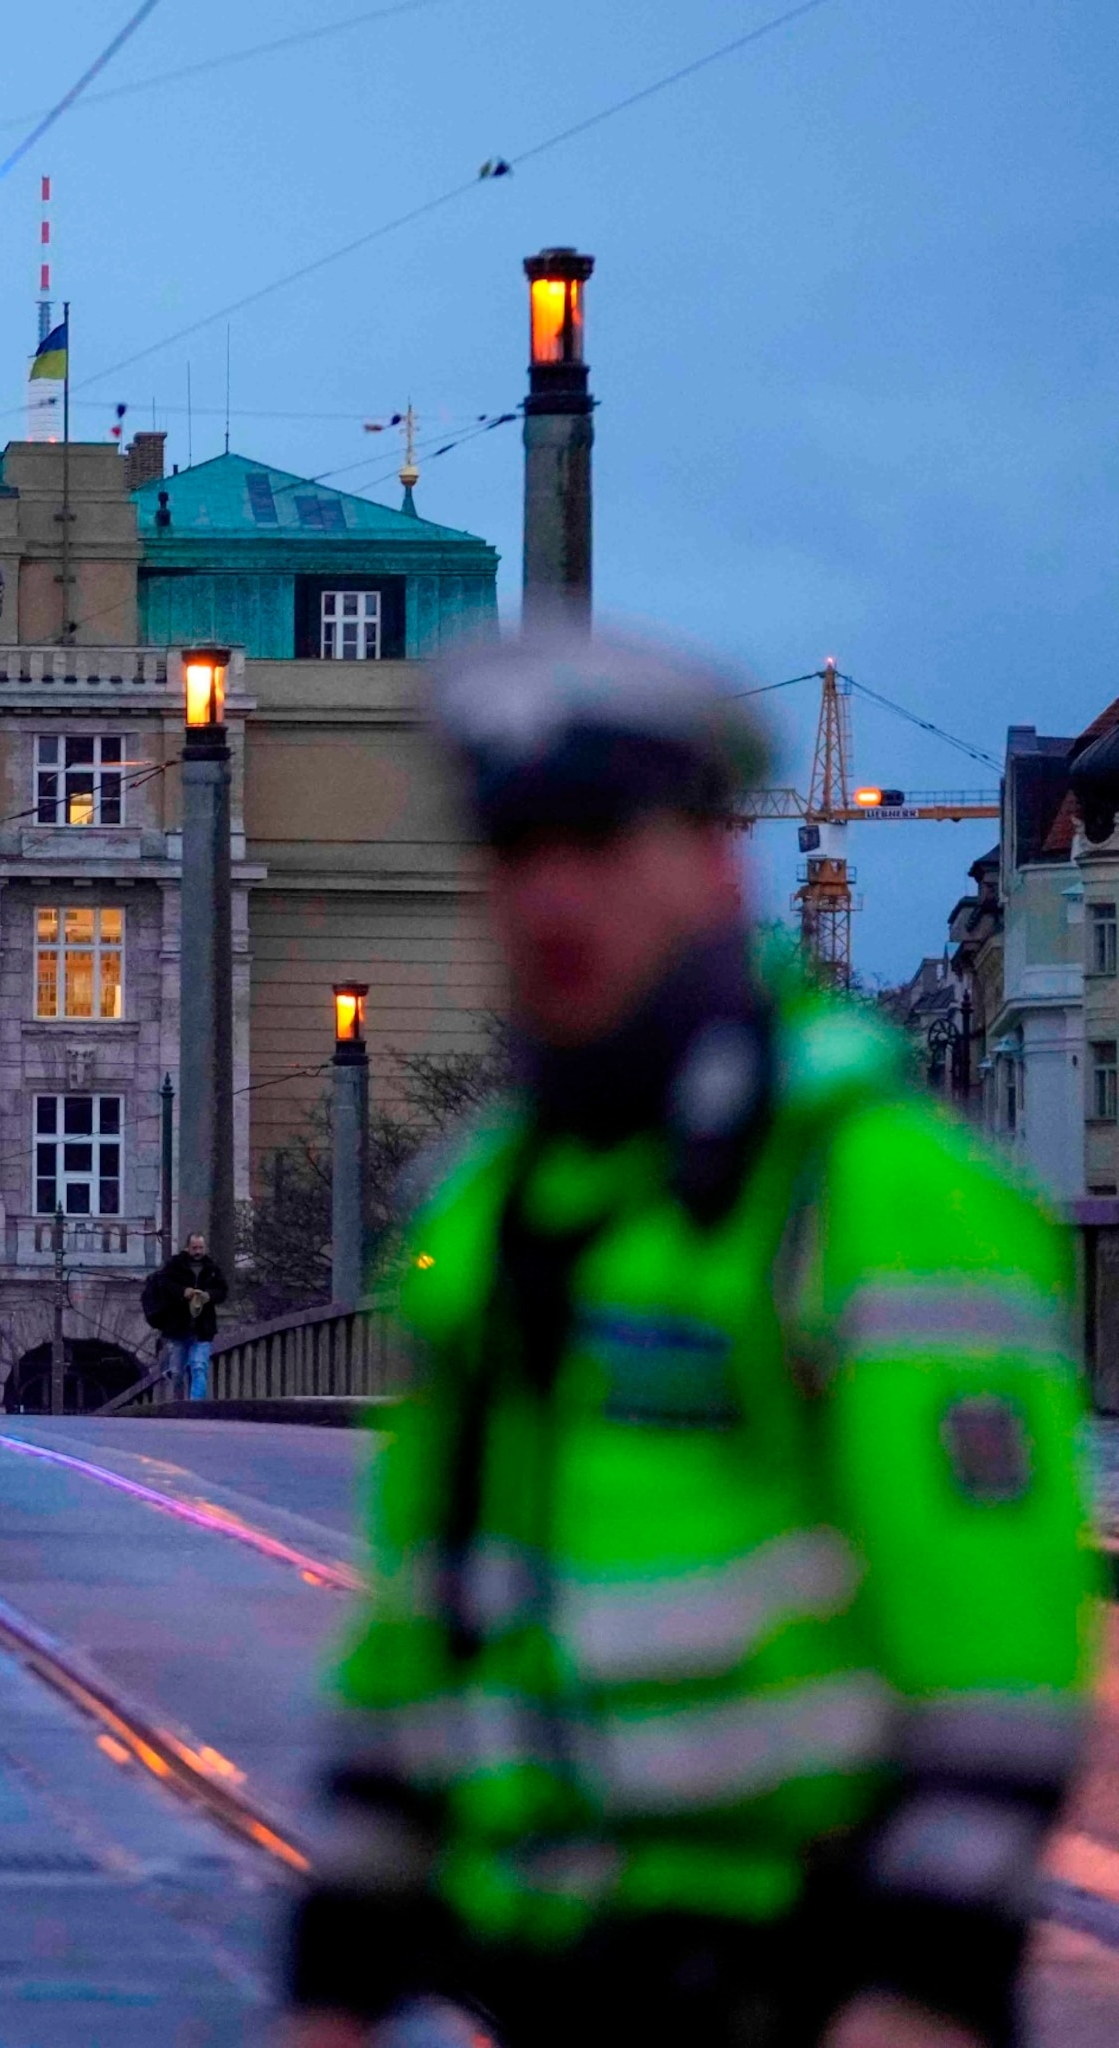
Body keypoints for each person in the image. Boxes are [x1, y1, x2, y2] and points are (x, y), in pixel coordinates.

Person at [284, 635, 1093, 2048]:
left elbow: (1000, 1657)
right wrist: (336, 1979)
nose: (552, 893)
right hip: (537, 1972)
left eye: (601, 839)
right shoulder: (488, 1204)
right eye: (516, 847)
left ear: (715, 862)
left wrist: (925, 1991)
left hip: (802, 1973)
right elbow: (424, 1626)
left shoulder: (876, 1184)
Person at [142, 1231, 227, 1399]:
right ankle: (179, 1405)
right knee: (178, 1373)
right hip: (177, 1328)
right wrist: (183, 1292)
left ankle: (196, 1408)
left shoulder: (212, 1268)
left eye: (200, 1248)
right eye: (194, 1247)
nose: (198, 1251)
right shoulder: (174, 1267)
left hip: (203, 1329)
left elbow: (223, 1291)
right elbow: (164, 1285)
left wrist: (208, 1295)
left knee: (198, 1366)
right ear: (187, 1248)